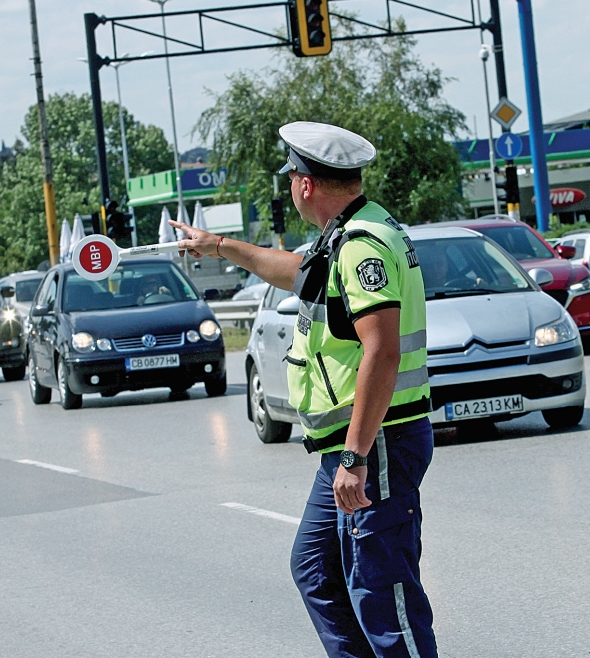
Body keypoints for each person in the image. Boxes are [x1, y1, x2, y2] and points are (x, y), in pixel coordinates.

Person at [172, 121, 437, 658]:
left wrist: (355, 455)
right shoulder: (341, 235)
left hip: (375, 442)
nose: (290, 184)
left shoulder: (363, 244)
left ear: (305, 184)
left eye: (292, 174)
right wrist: (220, 246)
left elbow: (381, 352)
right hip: (352, 445)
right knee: (317, 568)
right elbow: (297, 272)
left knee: (382, 590)